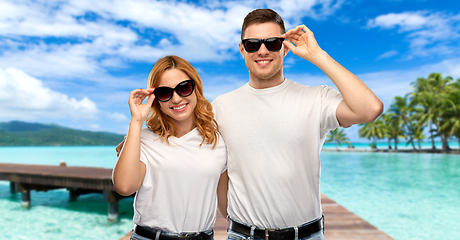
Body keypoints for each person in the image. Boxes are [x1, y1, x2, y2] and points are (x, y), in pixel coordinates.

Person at [211, 9, 383, 240]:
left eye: (272, 43)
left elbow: (370, 109)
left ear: (285, 48)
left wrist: (317, 54)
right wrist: (237, 225)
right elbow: (220, 171)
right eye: (252, 44)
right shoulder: (221, 106)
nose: (262, 50)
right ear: (242, 49)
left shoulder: (315, 98)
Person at [112, 55, 228, 240]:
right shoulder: (143, 139)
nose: (176, 98)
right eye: (165, 93)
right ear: (155, 99)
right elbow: (125, 187)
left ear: (195, 88)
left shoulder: (217, 141)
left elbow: (226, 205)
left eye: (184, 88)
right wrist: (136, 122)